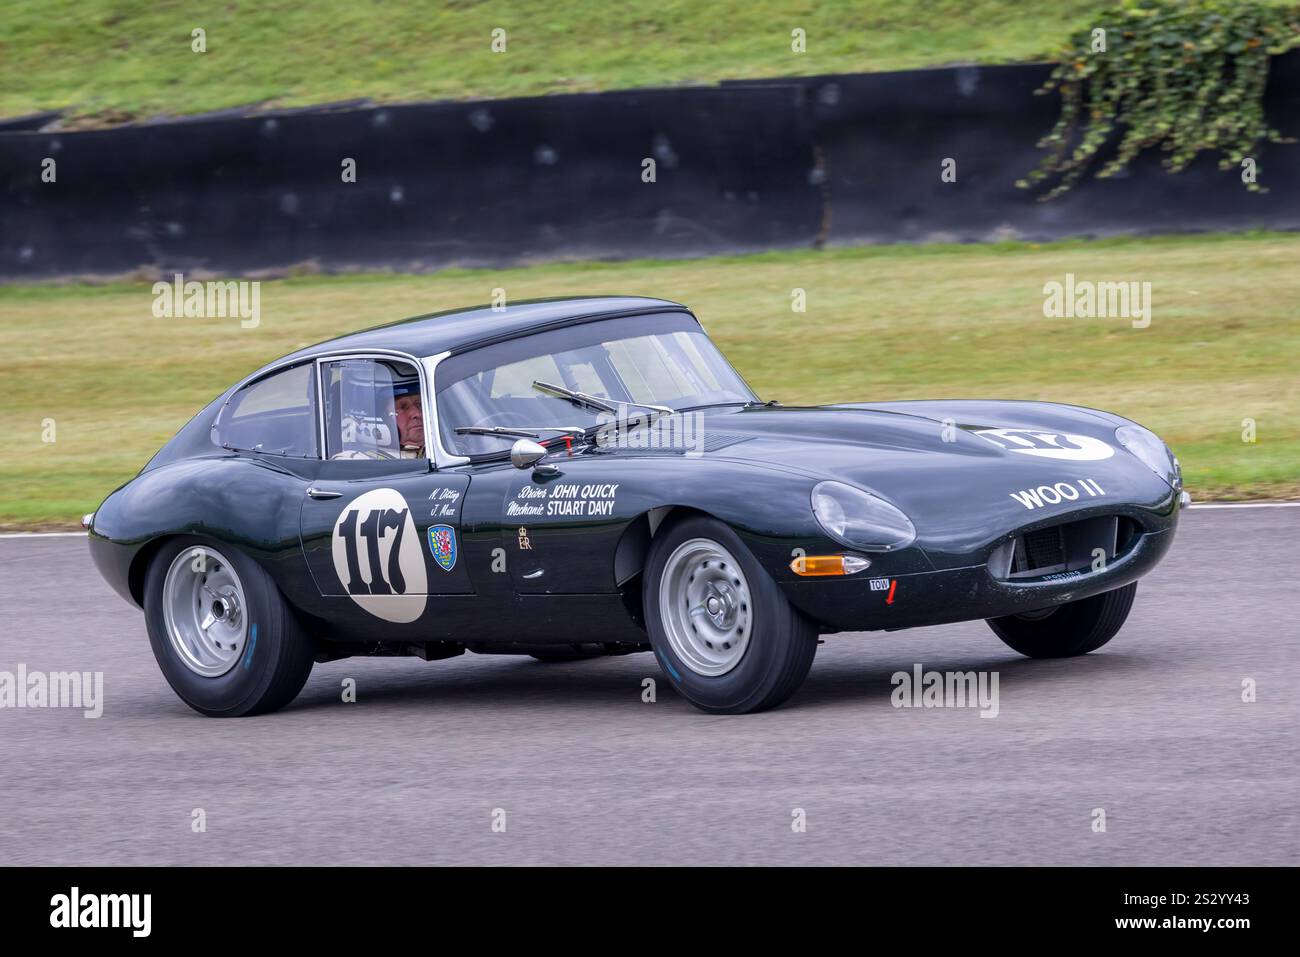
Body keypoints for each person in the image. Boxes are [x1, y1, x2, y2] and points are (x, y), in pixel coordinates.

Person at [392, 378, 425, 458]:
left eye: (419, 404)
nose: (418, 413)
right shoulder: (367, 464)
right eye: (403, 407)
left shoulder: (452, 450)